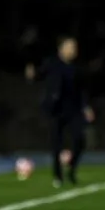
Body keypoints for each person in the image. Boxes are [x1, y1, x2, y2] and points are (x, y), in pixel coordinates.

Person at [25, 36, 95, 187]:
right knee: (56, 143)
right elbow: (38, 74)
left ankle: (71, 169)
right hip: (56, 109)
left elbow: (82, 90)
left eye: (74, 47)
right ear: (61, 48)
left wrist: (86, 107)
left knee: (79, 139)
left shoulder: (77, 68)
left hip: (74, 109)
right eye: (70, 47)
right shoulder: (52, 63)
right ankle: (58, 176)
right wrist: (32, 74)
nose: (73, 50)